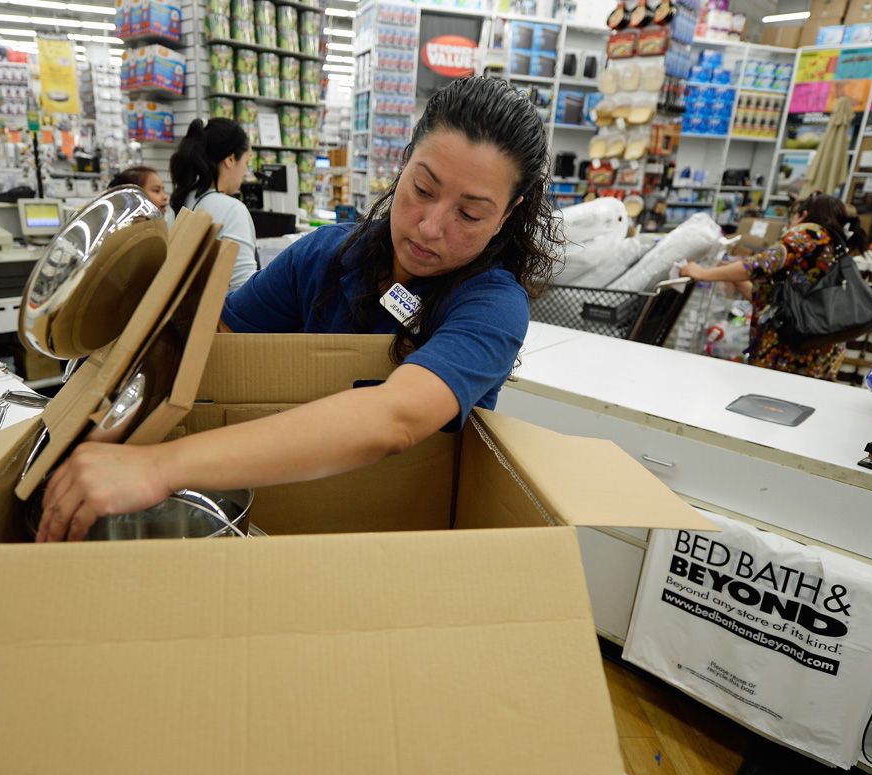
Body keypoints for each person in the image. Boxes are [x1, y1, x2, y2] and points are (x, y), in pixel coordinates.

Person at [36, 76, 559, 543]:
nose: (429, 226)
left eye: (469, 213)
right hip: (284, 513)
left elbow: (393, 419)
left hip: (404, 533)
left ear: (508, 214)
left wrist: (158, 466)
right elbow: (215, 345)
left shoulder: (492, 305)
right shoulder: (326, 256)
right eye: (422, 189)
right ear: (403, 164)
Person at [678, 193, 866, 381]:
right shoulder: (832, 245)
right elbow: (775, 301)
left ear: (802, 215)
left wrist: (702, 273)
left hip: (792, 351)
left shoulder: (809, 234)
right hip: (817, 348)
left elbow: (758, 265)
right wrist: (729, 272)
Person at [169, 118, 258, 292]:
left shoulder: (183, 199)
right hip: (217, 317)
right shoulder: (231, 209)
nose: (246, 172)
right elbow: (243, 288)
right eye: (246, 162)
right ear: (230, 160)